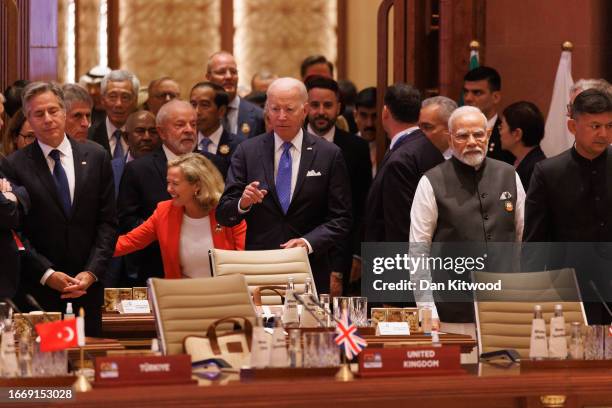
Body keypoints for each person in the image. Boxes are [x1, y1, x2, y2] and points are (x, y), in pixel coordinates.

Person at [216, 77, 352, 295]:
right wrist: (243, 203)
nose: (281, 116)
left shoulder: (328, 154)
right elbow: (223, 214)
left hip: (308, 268)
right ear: (266, 110)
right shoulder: (247, 151)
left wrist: (308, 243)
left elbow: (341, 218)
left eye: (289, 109)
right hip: (259, 267)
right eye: (275, 108)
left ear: (305, 110)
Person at [2, 82, 116, 335]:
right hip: (40, 291)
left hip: (88, 288)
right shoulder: (15, 165)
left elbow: (107, 222)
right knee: (48, 368)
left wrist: (91, 272)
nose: (48, 119)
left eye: (53, 111)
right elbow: (15, 231)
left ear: (64, 111)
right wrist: (47, 273)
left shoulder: (96, 156)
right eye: (38, 114)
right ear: (28, 119)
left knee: (89, 363)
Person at [410, 105, 524, 344]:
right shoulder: (430, 181)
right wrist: (426, 308)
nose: (472, 141)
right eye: (462, 136)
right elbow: (418, 250)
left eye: (478, 134)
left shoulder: (509, 175)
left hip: (505, 308)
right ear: (450, 139)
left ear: (488, 134)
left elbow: (524, 240)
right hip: (452, 312)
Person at [524, 89, 612, 324]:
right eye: (595, 126)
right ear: (573, 127)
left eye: (609, 125)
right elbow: (534, 243)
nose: (604, 134)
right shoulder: (548, 172)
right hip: (570, 292)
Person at [117, 100, 225, 285]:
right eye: (180, 125)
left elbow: (227, 216)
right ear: (161, 132)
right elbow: (127, 221)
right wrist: (168, 231)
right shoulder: (139, 170)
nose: (189, 130)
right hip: (157, 272)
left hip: (215, 274)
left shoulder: (216, 164)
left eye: (193, 124)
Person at [115, 153, 245, 278]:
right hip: (181, 296)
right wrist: (98, 251)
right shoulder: (164, 212)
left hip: (226, 294)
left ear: (197, 185)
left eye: (175, 184)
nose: (169, 189)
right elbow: (129, 242)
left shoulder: (228, 212)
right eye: (168, 182)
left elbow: (245, 261)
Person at [305, 75, 371, 292]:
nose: (321, 112)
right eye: (315, 105)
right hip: (299, 248)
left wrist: (357, 254)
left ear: (339, 107)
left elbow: (363, 207)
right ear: (305, 107)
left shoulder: (357, 148)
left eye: (328, 105)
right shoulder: (289, 145)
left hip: (344, 251)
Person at [365, 86, 446, 243]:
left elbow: (400, 226)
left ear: (385, 112)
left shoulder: (400, 160)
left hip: (398, 261)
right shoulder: (429, 147)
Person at [205, 51, 265, 138]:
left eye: (233, 72)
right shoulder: (198, 114)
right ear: (208, 77)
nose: (229, 76)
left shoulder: (258, 115)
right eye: (221, 72)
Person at [463, 66, 514, 165]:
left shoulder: (507, 137)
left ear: (495, 97)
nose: (468, 98)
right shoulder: (455, 133)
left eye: (477, 93)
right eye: (466, 92)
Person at [190, 82, 245, 172]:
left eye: (204, 105)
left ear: (221, 111)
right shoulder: (185, 143)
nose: (196, 112)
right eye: (193, 104)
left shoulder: (240, 147)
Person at [88, 69, 139, 158]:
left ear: (135, 101)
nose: (118, 104)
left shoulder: (146, 137)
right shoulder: (89, 136)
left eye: (125, 97)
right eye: (112, 97)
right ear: (103, 100)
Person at [499, 101, 546, 190]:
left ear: (517, 134)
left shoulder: (535, 172)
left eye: (501, 127)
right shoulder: (519, 161)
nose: (500, 132)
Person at [354, 87, 378, 176]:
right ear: (355, 115)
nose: (369, 124)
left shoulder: (391, 148)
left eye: (375, 116)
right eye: (364, 116)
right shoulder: (345, 148)